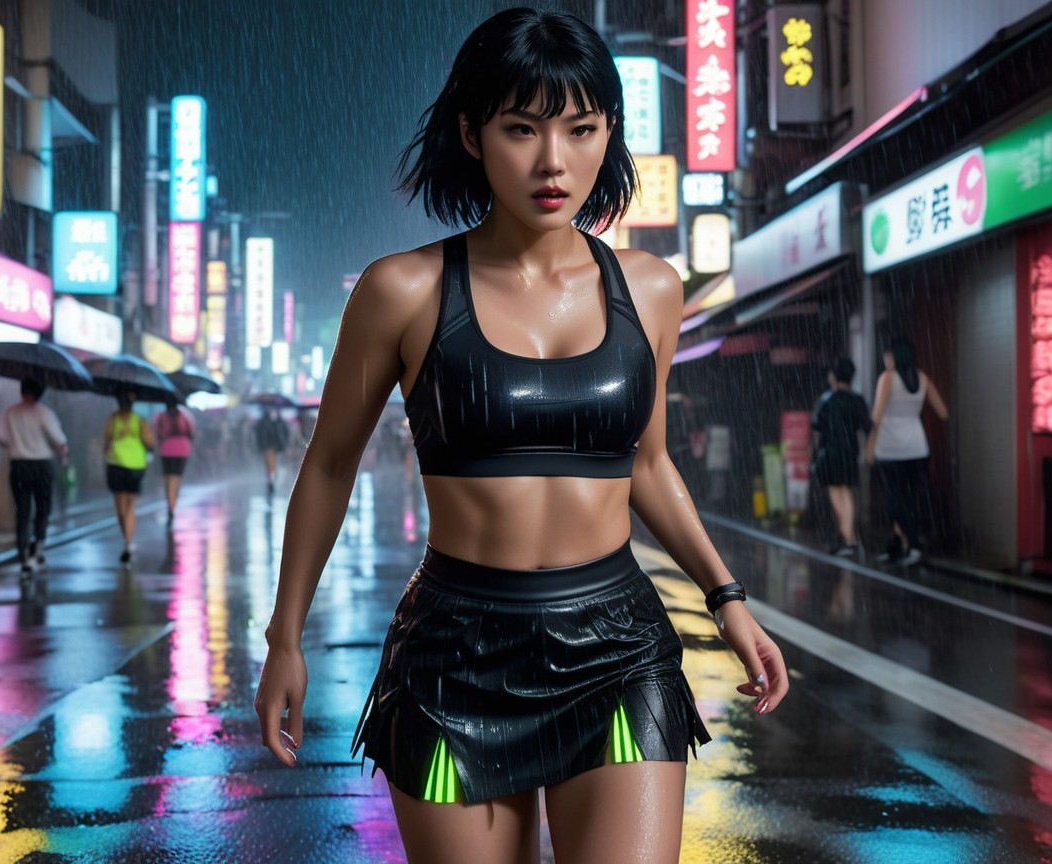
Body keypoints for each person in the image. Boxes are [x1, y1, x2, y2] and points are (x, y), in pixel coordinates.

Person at [253, 9, 788, 862]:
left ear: (609, 131)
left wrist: (728, 601)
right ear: (471, 133)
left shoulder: (651, 289)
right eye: (521, 130)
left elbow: (646, 463)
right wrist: (285, 636)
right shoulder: (404, 290)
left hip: (620, 648)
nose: (553, 162)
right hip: (453, 655)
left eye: (581, 130)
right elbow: (326, 469)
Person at [865, 337, 949, 566]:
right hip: (918, 448)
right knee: (908, 499)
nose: (885, 359)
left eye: (887, 355)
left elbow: (877, 417)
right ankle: (898, 547)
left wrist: (869, 446)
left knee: (894, 500)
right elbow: (943, 412)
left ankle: (913, 545)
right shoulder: (922, 378)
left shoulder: (887, 378)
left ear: (892, 357)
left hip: (890, 449)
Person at [0, 379, 69, 575]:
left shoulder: (10, 412)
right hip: (41, 464)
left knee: (22, 510)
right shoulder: (44, 412)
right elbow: (59, 439)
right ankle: (38, 547)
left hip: (18, 465)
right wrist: (62, 453)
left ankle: (22, 552)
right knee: (43, 508)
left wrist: (14, 443)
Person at [811, 357, 872, 557]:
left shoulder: (827, 399)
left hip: (830, 451)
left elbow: (817, 427)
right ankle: (850, 538)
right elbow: (867, 425)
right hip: (850, 451)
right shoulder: (857, 400)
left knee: (836, 493)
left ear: (834, 376)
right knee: (846, 491)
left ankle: (846, 538)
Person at [103, 391, 154, 565]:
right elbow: (150, 442)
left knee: (120, 505)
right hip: (136, 465)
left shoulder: (113, 419)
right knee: (131, 505)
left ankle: (125, 537)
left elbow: (106, 442)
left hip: (116, 463)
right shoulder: (139, 421)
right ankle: (128, 543)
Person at [153, 398, 195, 523]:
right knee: (176, 478)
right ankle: (173, 504)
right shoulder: (185, 416)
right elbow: (191, 433)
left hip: (166, 450)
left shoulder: (161, 417)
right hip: (182, 449)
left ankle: (170, 504)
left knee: (168, 479)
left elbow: (158, 433)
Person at [253, 406, 291, 493]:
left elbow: (282, 433)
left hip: (274, 446)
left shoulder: (276, 421)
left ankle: (271, 480)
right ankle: (271, 481)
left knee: (272, 464)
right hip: (269, 446)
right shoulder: (267, 421)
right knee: (270, 464)